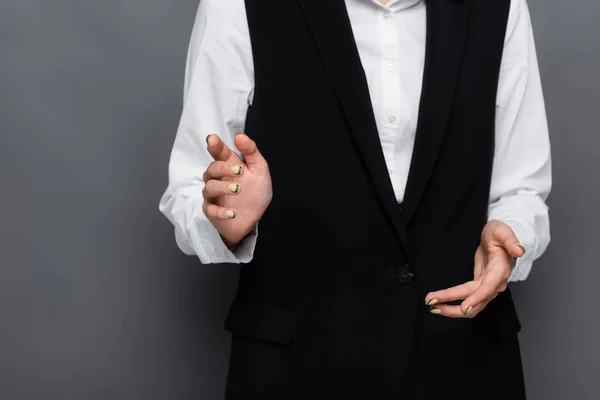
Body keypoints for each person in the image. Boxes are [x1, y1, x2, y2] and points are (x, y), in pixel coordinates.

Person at [158, 0, 551, 398]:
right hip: (298, 368)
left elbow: (523, 189)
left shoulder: (501, 6)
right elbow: (190, 189)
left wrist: (512, 238)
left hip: (465, 363)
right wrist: (226, 220)